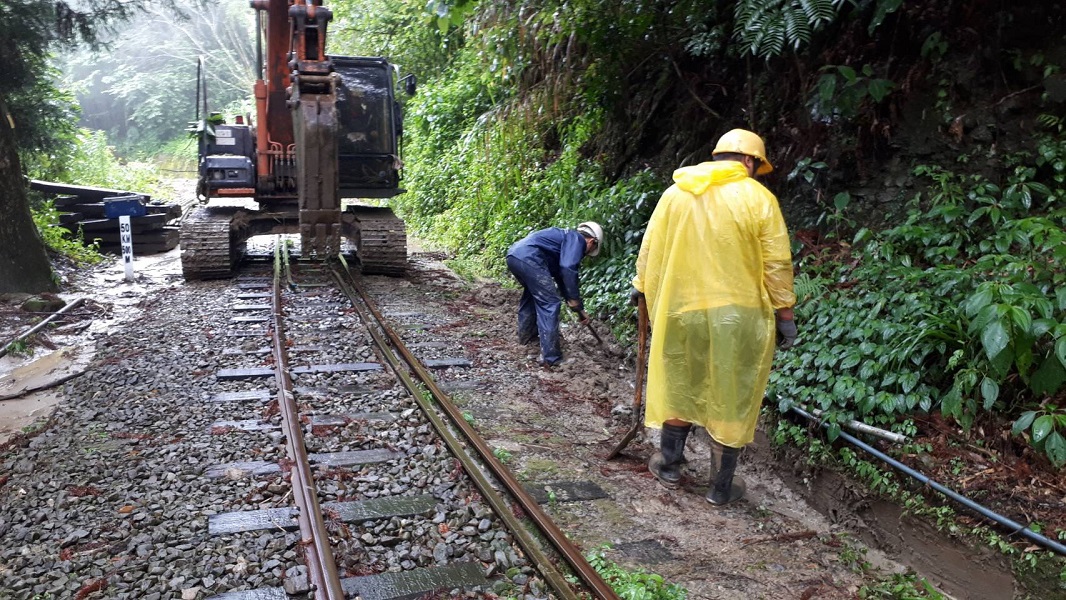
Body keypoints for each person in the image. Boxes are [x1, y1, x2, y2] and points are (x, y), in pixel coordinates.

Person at [630, 128, 797, 505]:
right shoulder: (759, 198)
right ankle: (720, 488)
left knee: (679, 381)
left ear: (718, 155)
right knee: (732, 394)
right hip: (738, 316)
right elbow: (776, 262)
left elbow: (650, 247)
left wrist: (641, 286)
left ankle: (670, 465)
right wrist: (784, 312)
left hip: (681, 309)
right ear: (751, 161)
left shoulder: (676, 192)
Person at [506, 222, 604, 367]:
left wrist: (578, 307)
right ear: (592, 241)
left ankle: (526, 337)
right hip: (529, 258)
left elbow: (561, 277)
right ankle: (551, 358)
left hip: (514, 255)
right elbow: (568, 268)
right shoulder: (576, 239)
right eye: (591, 250)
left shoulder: (563, 241)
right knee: (550, 303)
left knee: (534, 295)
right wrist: (574, 299)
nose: (586, 254)